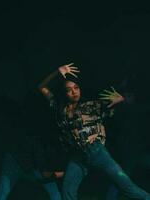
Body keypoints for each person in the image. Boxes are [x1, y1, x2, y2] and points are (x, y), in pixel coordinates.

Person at [38, 63, 150, 200]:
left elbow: (116, 101)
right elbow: (42, 87)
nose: (74, 92)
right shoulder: (59, 107)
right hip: (77, 157)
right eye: (69, 90)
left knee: (127, 187)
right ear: (64, 92)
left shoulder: (91, 106)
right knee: (67, 191)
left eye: (76, 88)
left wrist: (120, 99)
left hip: (96, 152)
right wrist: (58, 72)